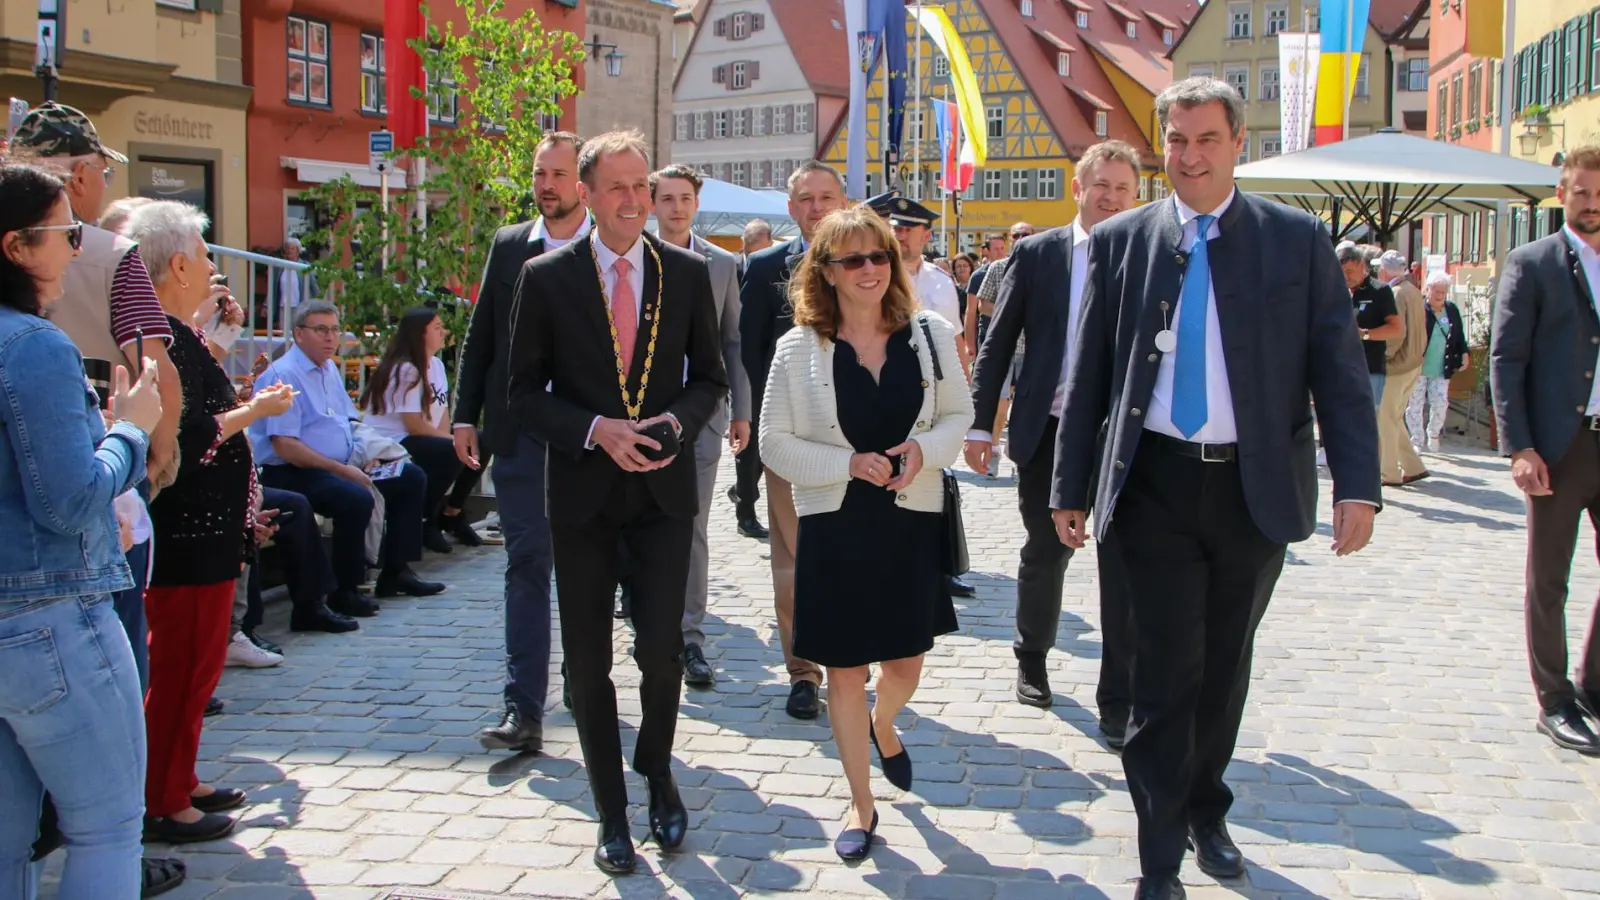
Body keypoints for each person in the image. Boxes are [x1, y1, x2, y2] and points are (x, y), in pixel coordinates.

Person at [1050, 78, 1380, 899]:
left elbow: (1337, 370)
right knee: (1162, 673)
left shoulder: (1294, 239)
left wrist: (1359, 486)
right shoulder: (1124, 239)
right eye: (1176, 140)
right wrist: (1069, 486)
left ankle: (1206, 804)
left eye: (1206, 140)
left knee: (1223, 668)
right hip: (1152, 485)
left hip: (1252, 491)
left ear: (1239, 143)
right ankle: (1159, 853)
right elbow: (1088, 372)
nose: (1190, 156)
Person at [507, 130, 727, 875]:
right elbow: (521, 394)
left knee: (663, 657)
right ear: (590, 195)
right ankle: (611, 812)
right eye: (619, 189)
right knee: (587, 665)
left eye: (644, 187)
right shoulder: (546, 278)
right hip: (582, 496)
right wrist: (595, 430)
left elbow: (711, 380)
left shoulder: (688, 274)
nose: (635, 202)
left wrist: (673, 425)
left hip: (664, 495)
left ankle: (657, 769)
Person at [9, 103, 188, 896]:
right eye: (61, 233)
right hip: (55, 600)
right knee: (107, 826)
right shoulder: (44, 333)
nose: (73, 243)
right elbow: (72, 498)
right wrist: (135, 437)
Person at [761, 206, 972, 860]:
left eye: (879, 255)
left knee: (905, 663)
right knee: (844, 670)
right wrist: (845, 465)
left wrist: (922, 451)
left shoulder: (931, 335)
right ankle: (860, 800)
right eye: (852, 259)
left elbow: (957, 417)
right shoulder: (799, 348)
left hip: (909, 523)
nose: (870, 269)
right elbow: (773, 440)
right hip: (836, 527)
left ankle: (886, 723)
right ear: (824, 271)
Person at [126, 200, 297, 844]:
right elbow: (191, 435)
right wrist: (255, 411)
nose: (210, 264)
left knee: (197, 670)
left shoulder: (181, 333)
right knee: (180, 669)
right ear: (176, 264)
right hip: (187, 536)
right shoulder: (166, 340)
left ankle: (179, 776)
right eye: (202, 253)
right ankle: (163, 798)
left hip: (208, 531)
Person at [965, 140, 1140, 730]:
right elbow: (996, 346)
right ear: (1078, 188)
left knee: (1126, 563)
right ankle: (1031, 658)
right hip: (1050, 428)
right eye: (1101, 186)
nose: (1111, 198)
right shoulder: (1038, 255)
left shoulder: (1149, 253)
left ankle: (1120, 692)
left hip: (1124, 436)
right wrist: (979, 425)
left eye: (1122, 188)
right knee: (1046, 550)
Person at [460, 132, 590, 755]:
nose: (546, 185)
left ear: (582, 183)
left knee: (590, 570)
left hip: (590, 439)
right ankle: (524, 708)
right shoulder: (510, 245)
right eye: (540, 173)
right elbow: (480, 333)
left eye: (558, 174)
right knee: (527, 563)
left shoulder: (608, 250)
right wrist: (465, 416)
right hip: (517, 433)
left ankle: (586, 688)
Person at [1490, 145, 1600, 756]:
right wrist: (1520, 447)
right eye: (1581, 193)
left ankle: (1594, 687)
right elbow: (1507, 360)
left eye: (1599, 194)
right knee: (1549, 580)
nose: (1591, 205)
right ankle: (1554, 700)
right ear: (1563, 195)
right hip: (1561, 446)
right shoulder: (1534, 264)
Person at [252, 301, 445, 613]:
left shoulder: (328, 368)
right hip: (294, 469)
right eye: (321, 330)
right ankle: (346, 589)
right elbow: (285, 445)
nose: (330, 338)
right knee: (354, 497)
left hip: (344, 462)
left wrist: (367, 455)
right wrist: (342, 470)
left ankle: (396, 571)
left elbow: (348, 420)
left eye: (334, 330)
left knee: (409, 476)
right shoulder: (284, 374)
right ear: (299, 334)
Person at [741, 161, 847, 720]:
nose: (815, 207)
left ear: (843, 200)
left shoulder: (868, 259)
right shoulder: (762, 270)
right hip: (788, 437)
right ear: (791, 208)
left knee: (850, 555)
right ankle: (803, 671)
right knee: (791, 561)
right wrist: (764, 424)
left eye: (825, 196)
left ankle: (851, 657)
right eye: (805, 199)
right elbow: (749, 352)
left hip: (858, 438)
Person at [652, 164, 752, 689]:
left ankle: (690, 637)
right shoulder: (633, 257)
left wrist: (741, 409)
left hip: (703, 418)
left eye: (684, 198)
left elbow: (732, 339)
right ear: (653, 204)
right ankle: (649, 618)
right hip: (638, 419)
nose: (675, 207)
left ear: (697, 202)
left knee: (691, 527)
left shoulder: (720, 264)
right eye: (666, 198)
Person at [360, 307, 463, 554]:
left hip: (417, 437)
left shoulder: (436, 365)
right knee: (455, 449)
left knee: (475, 445)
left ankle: (451, 513)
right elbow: (413, 425)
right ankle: (425, 519)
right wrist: (452, 441)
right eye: (437, 328)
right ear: (419, 334)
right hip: (392, 441)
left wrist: (452, 438)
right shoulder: (406, 369)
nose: (444, 333)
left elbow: (441, 412)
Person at [1377, 250, 1430, 486]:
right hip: (1413, 363)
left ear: (1386, 271)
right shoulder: (1413, 291)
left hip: (1397, 366)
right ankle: (1413, 466)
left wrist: (1383, 357)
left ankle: (1389, 472)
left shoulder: (1396, 293)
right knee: (1394, 418)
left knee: (1386, 419)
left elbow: (1396, 334)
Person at [1408, 273, 1468, 454]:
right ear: (1428, 289)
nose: (1440, 295)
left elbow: (1459, 335)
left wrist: (1464, 353)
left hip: (1442, 366)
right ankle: (1416, 440)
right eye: (1436, 291)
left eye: (1443, 291)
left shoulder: (1451, 309)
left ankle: (1433, 433)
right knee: (1415, 405)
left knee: (1441, 403)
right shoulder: (1419, 308)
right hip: (1418, 367)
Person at [1338, 242, 1403, 409]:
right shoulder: (1338, 291)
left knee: (1367, 421)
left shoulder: (1380, 291)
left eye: (1349, 271)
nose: (1346, 277)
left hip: (1370, 369)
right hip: (1342, 369)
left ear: (1361, 264)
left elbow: (1396, 329)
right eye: (1341, 273)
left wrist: (1365, 334)